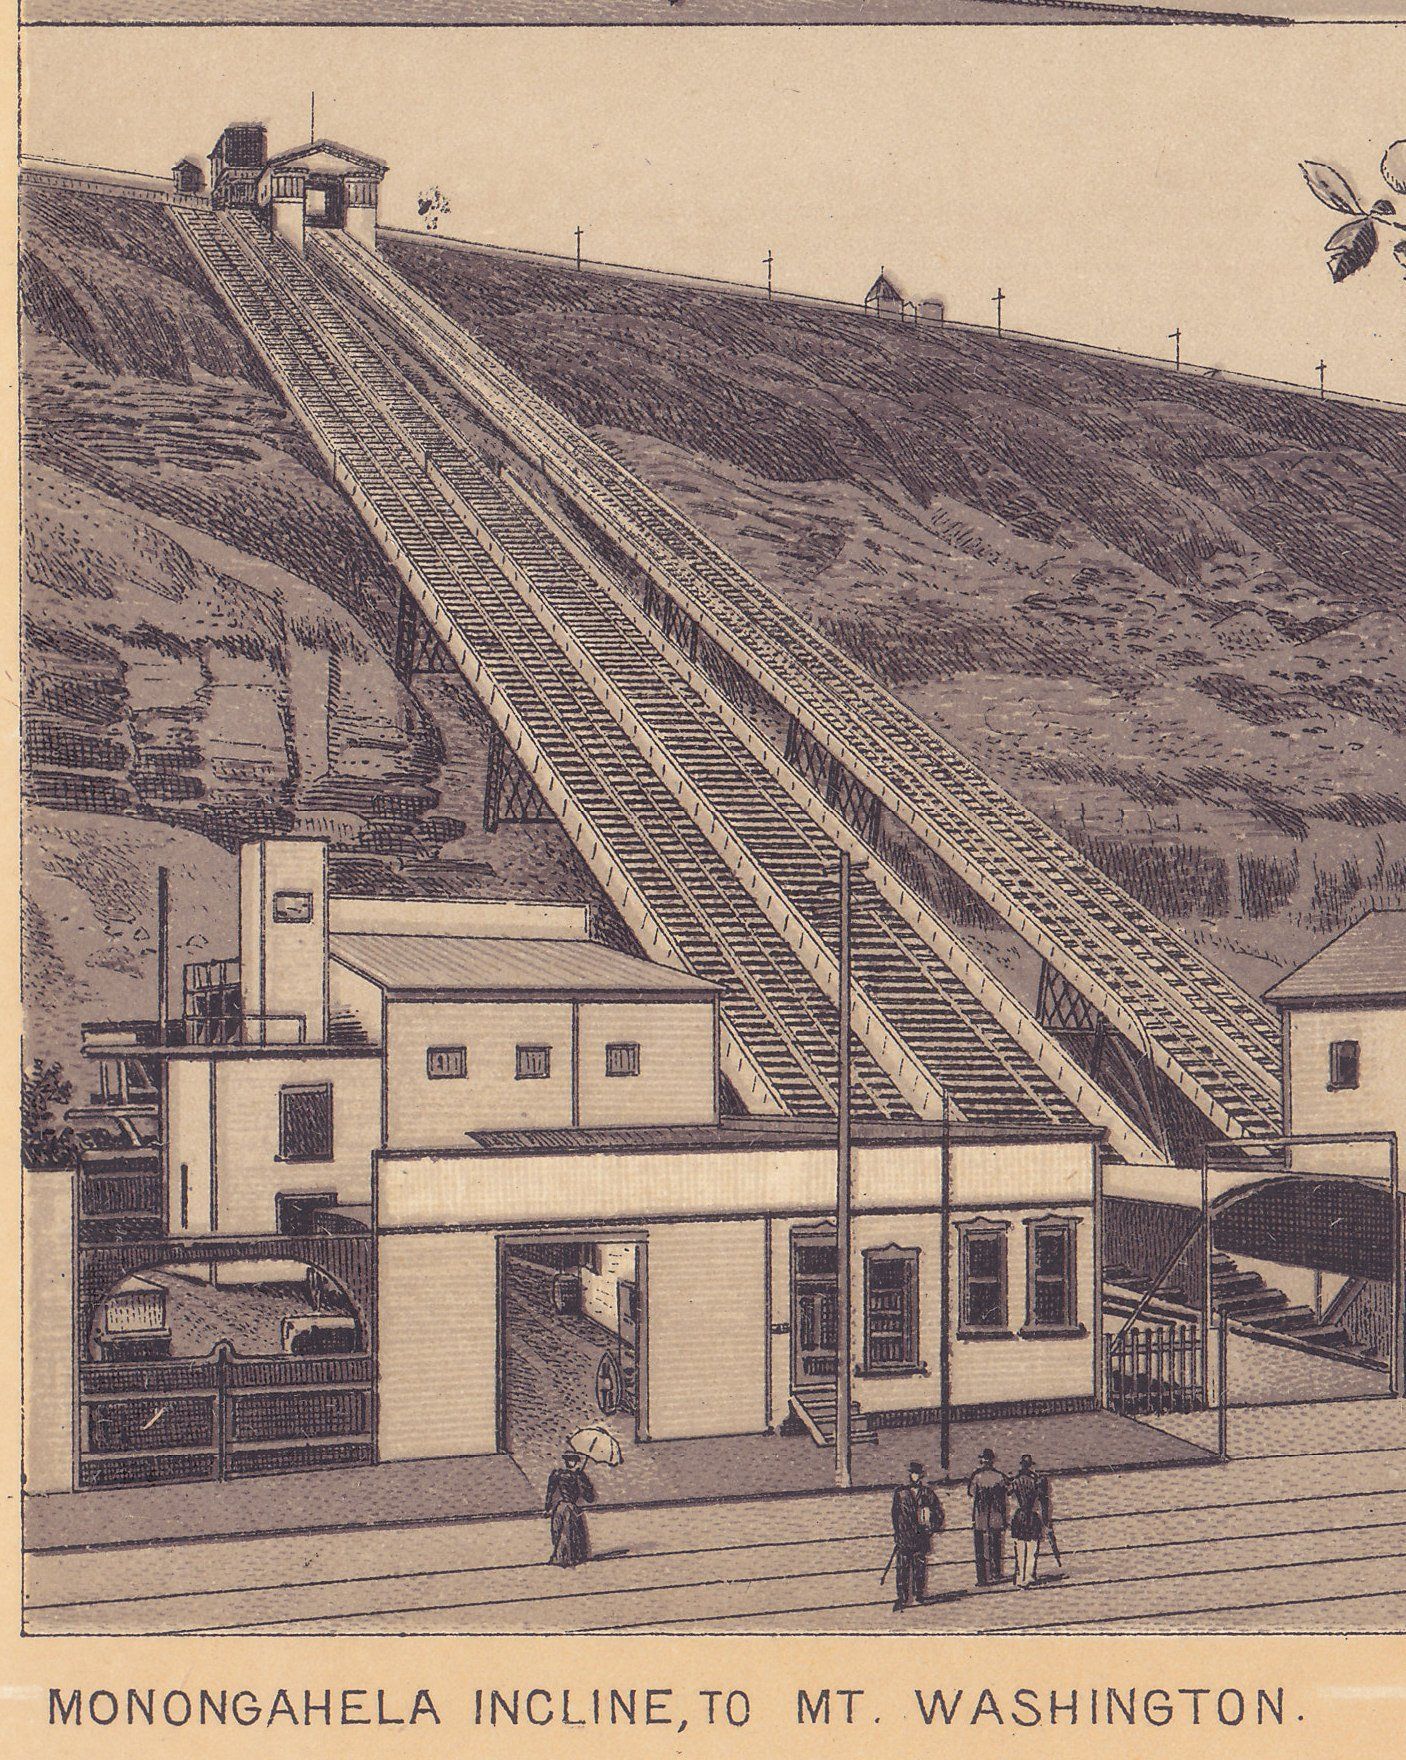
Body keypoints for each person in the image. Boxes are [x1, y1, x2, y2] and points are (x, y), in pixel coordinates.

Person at [890, 1460, 945, 1610]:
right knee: (902, 1569)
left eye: (917, 1473)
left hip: (921, 1537)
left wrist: (932, 1528)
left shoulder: (927, 1493)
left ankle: (919, 1594)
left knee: (919, 1567)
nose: (914, 1476)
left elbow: (938, 1513)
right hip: (905, 1537)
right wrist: (898, 1533)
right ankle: (902, 1598)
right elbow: (895, 1515)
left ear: (921, 1475)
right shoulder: (900, 1493)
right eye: (912, 1473)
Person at [545, 1447, 596, 1566]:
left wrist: (582, 1479)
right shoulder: (568, 1474)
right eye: (569, 1459)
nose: (571, 1462)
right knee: (566, 1533)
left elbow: (589, 1497)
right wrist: (581, 1479)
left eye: (573, 1459)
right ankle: (566, 1558)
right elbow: (550, 1492)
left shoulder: (567, 1474)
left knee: (569, 1533)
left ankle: (569, 1557)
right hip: (567, 1508)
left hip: (564, 1507)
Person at [1007, 1454, 1052, 1589]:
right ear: (1031, 1465)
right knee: (1032, 1547)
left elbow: (1008, 1492)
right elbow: (1043, 1499)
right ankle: (1030, 1575)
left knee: (1020, 1548)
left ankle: (1020, 1577)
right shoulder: (1036, 1480)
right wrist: (1046, 1521)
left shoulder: (1016, 1480)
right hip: (1032, 1516)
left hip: (1020, 1516)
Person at [966, 1447, 1008, 1586]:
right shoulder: (999, 1476)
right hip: (996, 1517)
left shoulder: (976, 1476)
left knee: (981, 1549)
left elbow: (971, 1493)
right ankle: (996, 1574)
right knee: (995, 1546)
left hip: (981, 1517)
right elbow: (1005, 1493)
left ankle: (982, 1578)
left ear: (982, 1460)